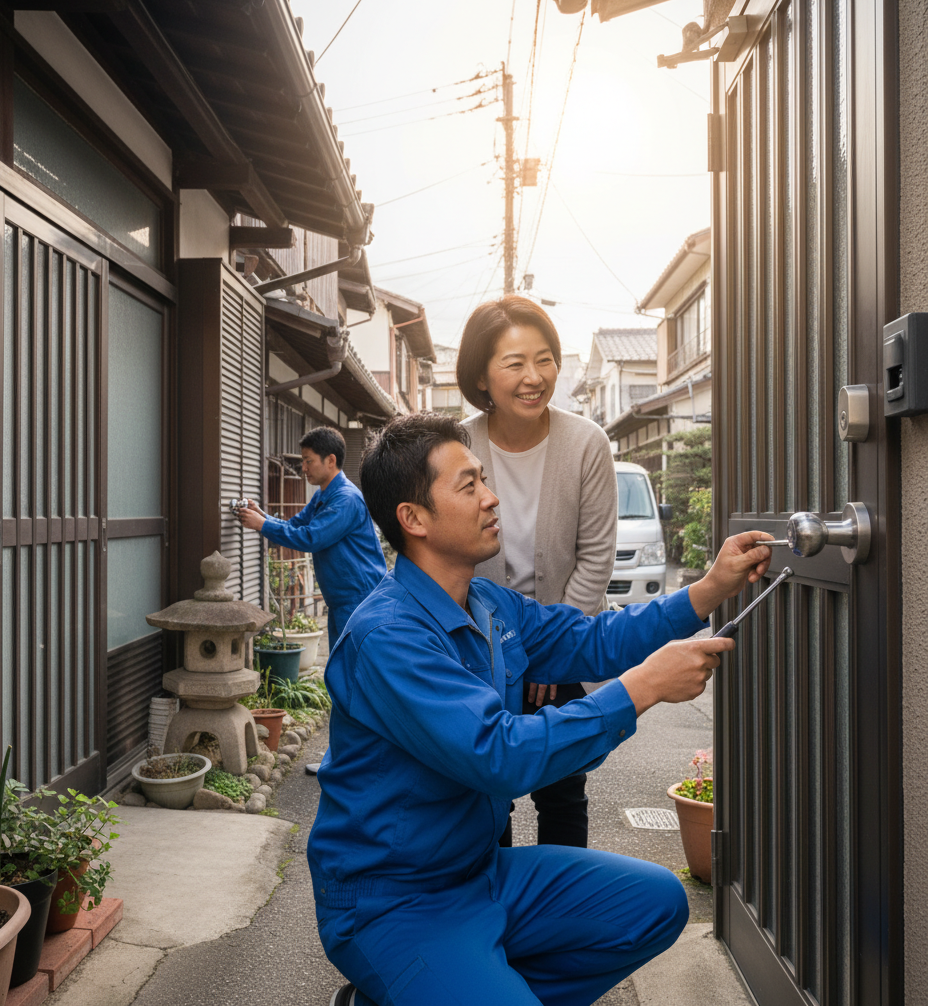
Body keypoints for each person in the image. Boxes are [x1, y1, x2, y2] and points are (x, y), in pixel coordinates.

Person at [311, 413, 773, 1006]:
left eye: (484, 479)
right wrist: (642, 687)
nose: (491, 497)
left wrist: (708, 590)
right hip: (394, 902)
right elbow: (499, 755)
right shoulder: (387, 636)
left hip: (480, 873)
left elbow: (592, 639)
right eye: (469, 485)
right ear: (414, 518)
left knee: (657, 904)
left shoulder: (487, 603)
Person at [457, 295, 616, 848]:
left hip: (563, 638)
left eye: (544, 359)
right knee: (483, 794)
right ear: (482, 375)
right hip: (478, 647)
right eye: (515, 362)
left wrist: (552, 650)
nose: (534, 377)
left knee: (563, 791)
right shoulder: (457, 445)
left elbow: (595, 557)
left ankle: (564, 898)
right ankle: (492, 896)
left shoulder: (587, 443)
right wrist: (506, 651)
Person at [236, 426, 386, 650]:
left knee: (356, 661)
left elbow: (311, 538)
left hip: (359, 598)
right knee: (343, 662)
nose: (303, 468)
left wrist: (262, 524)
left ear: (331, 460)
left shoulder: (346, 499)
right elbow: (295, 526)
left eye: (308, 461)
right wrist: (262, 516)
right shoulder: (324, 494)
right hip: (342, 599)